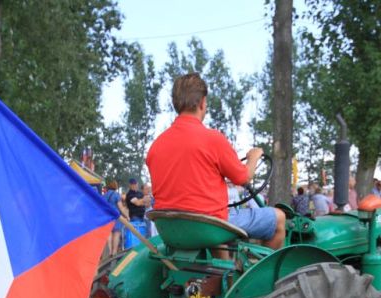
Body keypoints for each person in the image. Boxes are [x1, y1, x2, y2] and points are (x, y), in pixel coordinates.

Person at [146, 72, 285, 250]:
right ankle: (258, 268)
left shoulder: (156, 146)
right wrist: (253, 157)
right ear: (202, 103)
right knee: (279, 218)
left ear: (175, 104)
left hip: (170, 228)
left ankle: (221, 267)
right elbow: (243, 177)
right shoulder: (212, 139)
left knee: (220, 222)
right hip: (206, 225)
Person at [102, 179, 126, 256]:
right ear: (115, 186)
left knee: (109, 234)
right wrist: (127, 216)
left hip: (107, 217)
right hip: (116, 217)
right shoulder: (116, 195)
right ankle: (114, 252)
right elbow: (121, 207)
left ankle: (109, 252)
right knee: (116, 234)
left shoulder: (104, 195)